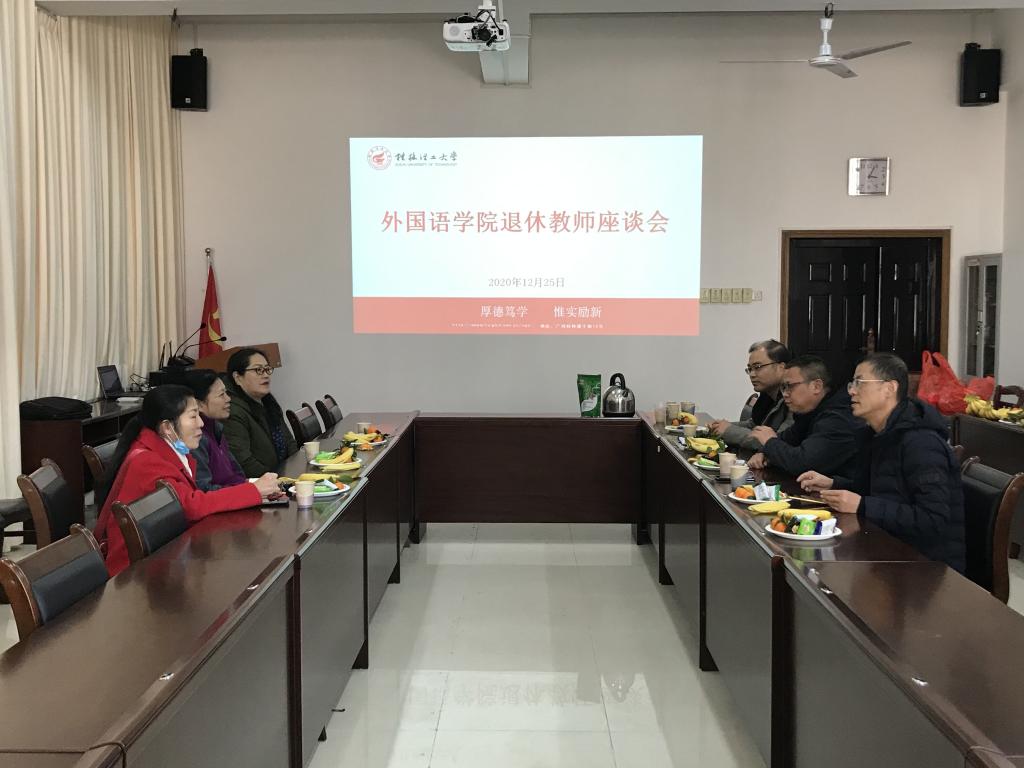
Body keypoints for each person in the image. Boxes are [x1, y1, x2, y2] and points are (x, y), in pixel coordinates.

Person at [797, 353, 965, 572]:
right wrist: (833, 484)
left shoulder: (921, 443)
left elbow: (932, 520)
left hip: (926, 567)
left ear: (889, 388)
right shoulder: (877, 434)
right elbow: (878, 491)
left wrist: (862, 505)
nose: (851, 391)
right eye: (851, 384)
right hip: (887, 548)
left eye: (860, 383)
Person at [94, 385, 280, 577]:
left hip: (166, 555)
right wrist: (252, 491)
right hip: (135, 573)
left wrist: (251, 489)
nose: (201, 423)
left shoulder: (167, 448)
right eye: (193, 416)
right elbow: (191, 506)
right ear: (167, 427)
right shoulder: (148, 461)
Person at [747, 354, 859, 477]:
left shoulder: (837, 418)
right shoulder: (809, 413)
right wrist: (764, 453)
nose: (785, 394)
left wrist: (770, 442)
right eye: (783, 388)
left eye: (790, 386)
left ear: (816, 386)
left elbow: (802, 463)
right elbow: (787, 440)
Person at [222, 347, 297, 477]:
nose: (266, 375)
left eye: (267, 369)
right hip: (264, 482)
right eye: (258, 370)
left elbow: (289, 442)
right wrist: (278, 480)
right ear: (238, 377)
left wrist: (296, 468)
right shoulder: (232, 412)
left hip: (284, 476)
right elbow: (243, 462)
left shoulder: (267, 401)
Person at [708, 340, 794, 450]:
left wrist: (728, 430)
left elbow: (776, 443)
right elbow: (754, 425)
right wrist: (721, 426)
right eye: (750, 369)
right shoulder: (766, 396)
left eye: (758, 367)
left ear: (781, 368)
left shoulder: (794, 400)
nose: (752, 374)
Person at [185, 368, 247, 491]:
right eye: (221, 395)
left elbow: (238, 474)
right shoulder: (196, 438)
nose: (228, 399)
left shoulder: (216, 428)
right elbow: (204, 490)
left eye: (226, 393)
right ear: (199, 404)